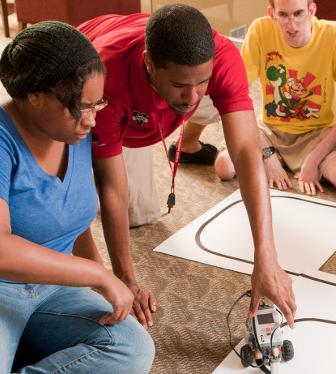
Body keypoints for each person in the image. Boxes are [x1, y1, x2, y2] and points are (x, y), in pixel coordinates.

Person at [78, 5, 296, 328]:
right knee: (118, 211)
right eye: (182, 84)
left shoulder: (220, 58)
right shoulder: (103, 75)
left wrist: (267, 258)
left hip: (158, 104)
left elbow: (248, 152)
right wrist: (126, 278)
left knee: (217, 101)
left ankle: (187, 136)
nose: (193, 96)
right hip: (104, 104)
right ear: (150, 64)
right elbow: (111, 186)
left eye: (202, 82)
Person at [0, 22, 154, 373]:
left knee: (132, 348)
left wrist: (102, 277)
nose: (91, 120)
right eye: (79, 107)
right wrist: (99, 276)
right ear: (33, 96)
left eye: (97, 104)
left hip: (54, 289)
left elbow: (67, 218)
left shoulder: (77, 134)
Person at [214, 0, 336, 196]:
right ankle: (275, 160)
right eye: (283, 15)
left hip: (317, 133)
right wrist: (267, 155)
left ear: (311, 10)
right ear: (272, 13)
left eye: (299, 14)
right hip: (271, 130)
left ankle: (298, 161)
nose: (292, 26)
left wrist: (313, 159)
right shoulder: (259, 30)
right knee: (224, 167)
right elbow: (237, 98)